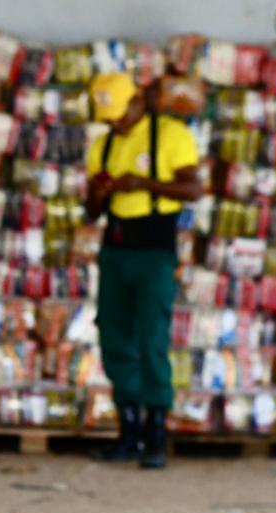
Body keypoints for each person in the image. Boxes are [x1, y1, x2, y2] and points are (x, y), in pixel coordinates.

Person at [85, 72, 202, 470]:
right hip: (115, 247)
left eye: (119, 114)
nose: (115, 123)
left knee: (152, 336)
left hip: (155, 248)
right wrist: (99, 195)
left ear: (138, 101)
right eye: (109, 117)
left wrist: (144, 184)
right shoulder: (101, 146)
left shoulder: (171, 135)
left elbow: (192, 190)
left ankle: (156, 429)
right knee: (114, 335)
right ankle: (127, 427)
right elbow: (91, 211)